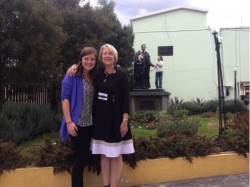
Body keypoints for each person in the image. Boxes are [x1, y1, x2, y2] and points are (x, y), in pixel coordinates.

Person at [67, 44, 135, 187]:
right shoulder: (97, 74)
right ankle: (106, 184)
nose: (107, 56)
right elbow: (84, 69)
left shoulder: (122, 76)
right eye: (104, 53)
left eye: (110, 53)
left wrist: (125, 120)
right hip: (99, 120)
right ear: (101, 57)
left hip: (116, 120)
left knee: (116, 155)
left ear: (115, 57)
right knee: (104, 154)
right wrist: (74, 66)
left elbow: (125, 100)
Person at [60, 47, 98, 187]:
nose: (89, 61)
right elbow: (65, 99)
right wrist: (69, 122)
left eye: (92, 59)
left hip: (90, 124)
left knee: (83, 156)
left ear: (95, 61)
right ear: (81, 59)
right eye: (86, 58)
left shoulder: (94, 77)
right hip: (76, 124)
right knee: (82, 158)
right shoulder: (72, 75)